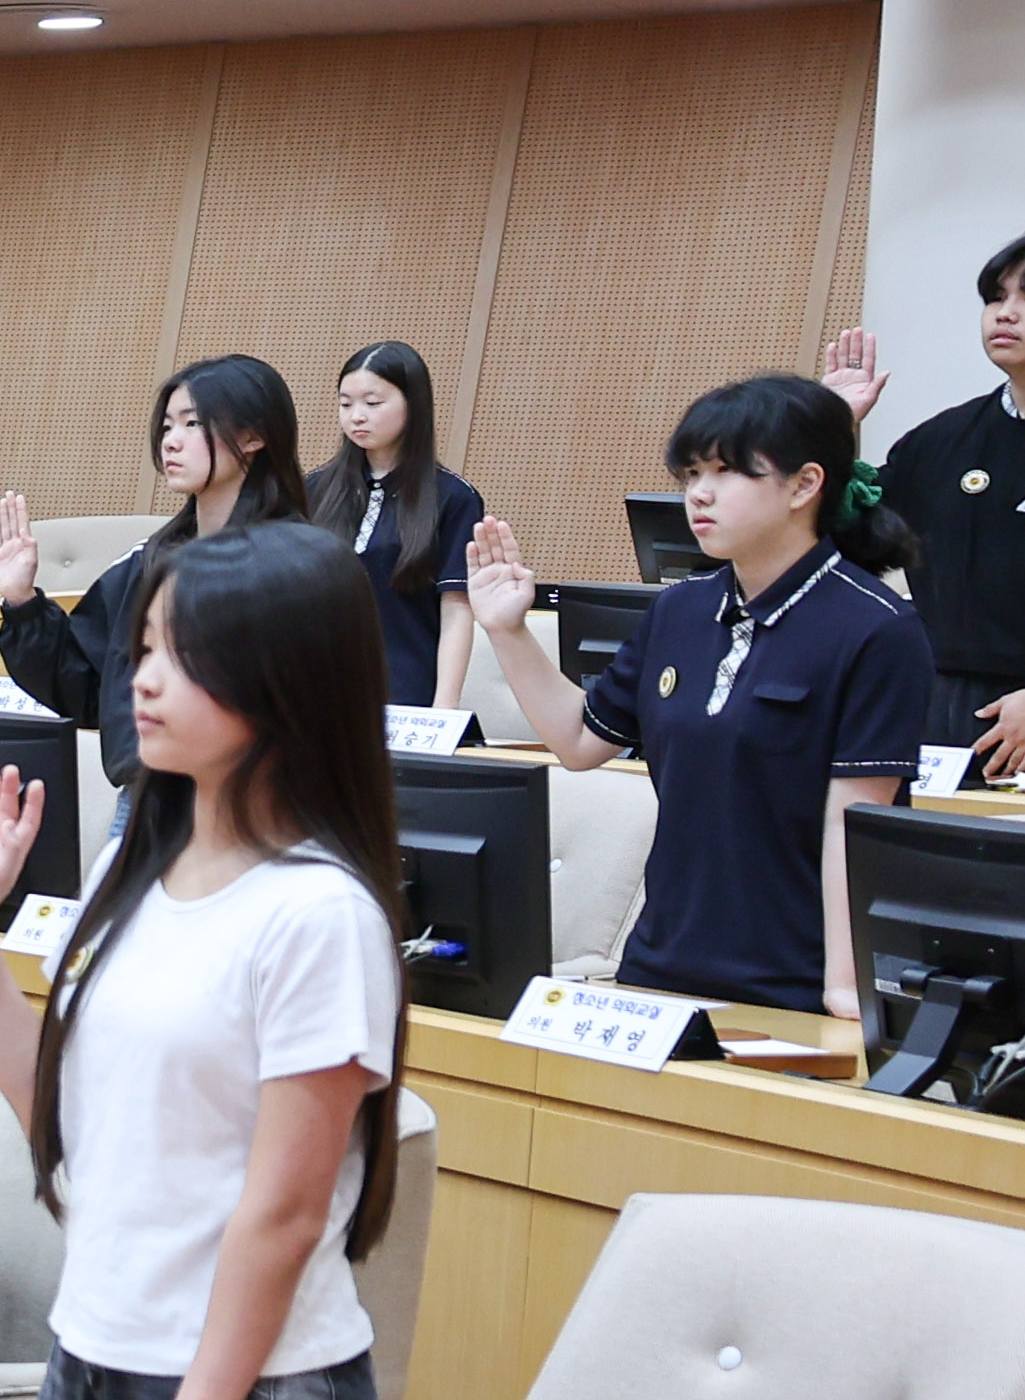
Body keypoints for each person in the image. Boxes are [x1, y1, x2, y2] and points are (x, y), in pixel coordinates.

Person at [0, 525, 408, 1400]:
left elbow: (282, 1212)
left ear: (285, 679)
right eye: (142, 648)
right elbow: (57, 1118)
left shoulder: (318, 913)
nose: (140, 680)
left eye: (181, 657)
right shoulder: (130, 871)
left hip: (256, 1399)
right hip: (88, 1353)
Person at [465, 373, 928, 1016]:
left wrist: (846, 991)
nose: (699, 494)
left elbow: (853, 824)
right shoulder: (678, 609)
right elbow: (578, 741)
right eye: (690, 475)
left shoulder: (877, 628)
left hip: (794, 981)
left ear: (804, 485)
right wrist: (507, 630)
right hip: (660, 963)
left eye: (726, 472)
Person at [0, 355, 308, 778]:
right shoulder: (150, 561)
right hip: (146, 794)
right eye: (168, 426)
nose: (171, 441)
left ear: (254, 436)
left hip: (248, 793)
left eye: (193, 423)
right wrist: (21, 601)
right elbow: (90, 690)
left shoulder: (301, 565)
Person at [825, 270, 1025, 771]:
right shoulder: (942, 439)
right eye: (995, 298)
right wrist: (830, 429)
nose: (1005, 313)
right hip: (935, 706)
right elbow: (849, 541)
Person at [305, 340, 483, 715]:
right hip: (315, 690)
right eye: (345, 404)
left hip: (405, 694)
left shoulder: (453, 497)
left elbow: (456, 607)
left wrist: (445, 704)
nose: (356, 416)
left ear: (413, 405)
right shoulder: (313, 489)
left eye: (372, 403)